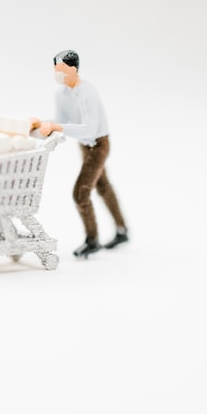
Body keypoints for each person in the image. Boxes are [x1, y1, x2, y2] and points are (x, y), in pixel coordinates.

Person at [32, 50, 129, 258]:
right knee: (103, 186)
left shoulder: (87, 92)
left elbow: (89, 129)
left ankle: (92, 240)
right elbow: (60, 120)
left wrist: (55, 126)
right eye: (55, 70)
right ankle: (122, 230)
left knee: (80, 193)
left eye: (62, 70)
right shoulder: (61, 94)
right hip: (85, 146)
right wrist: (42, 124)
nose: (57, 74)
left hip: (98, 144)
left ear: (74, 69)